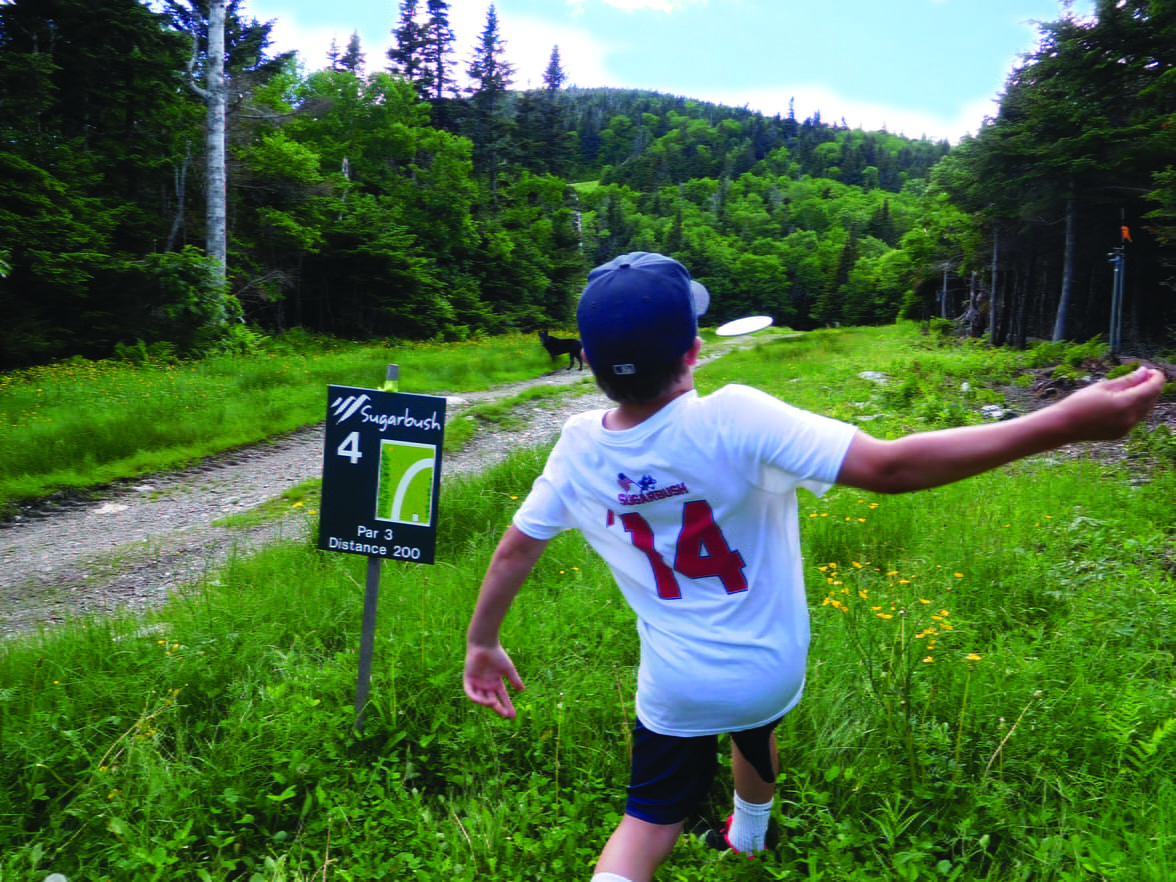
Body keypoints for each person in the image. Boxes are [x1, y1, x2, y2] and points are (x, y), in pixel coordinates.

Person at [462, 252, 1165, 882]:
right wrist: (1063, 422)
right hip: (770, 666)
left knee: (646, 824)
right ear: (697, 351)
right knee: (756, 726)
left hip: (676, 685)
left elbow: (516, 547)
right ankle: (751, 840)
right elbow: (889, 466)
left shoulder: (577, 446)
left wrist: (483, 642)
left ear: (585, 358)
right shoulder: (733, 418)